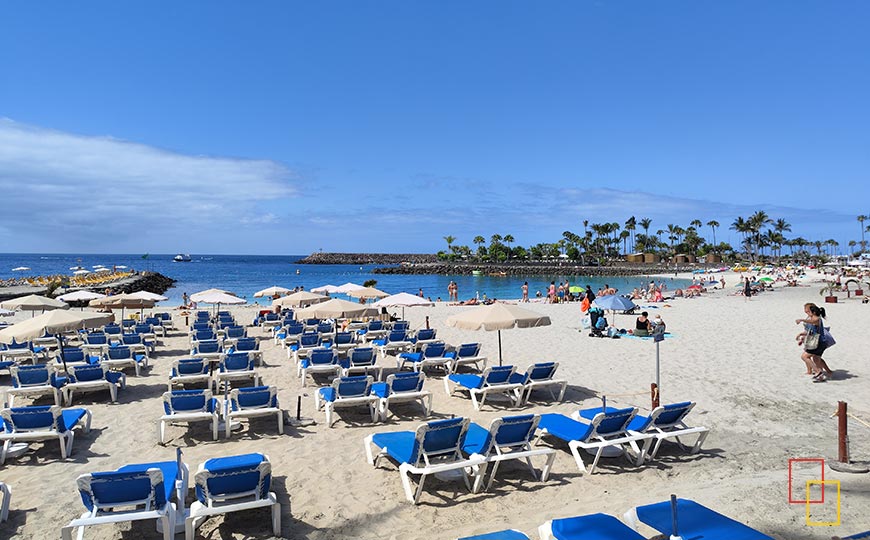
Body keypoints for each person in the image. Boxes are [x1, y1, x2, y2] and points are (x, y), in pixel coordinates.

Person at [795, 303, 833, 381]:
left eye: (809, 312)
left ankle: (818, 372)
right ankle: (821, 375)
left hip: (819, 343)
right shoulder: (813, 319)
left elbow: (812, 321)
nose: (808, 313)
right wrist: (801, 335)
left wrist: (801, 320)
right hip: (819, 342)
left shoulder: (817, 319)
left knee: (805, 356)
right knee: (816, 359)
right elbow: (810, 331)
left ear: (813, 312)